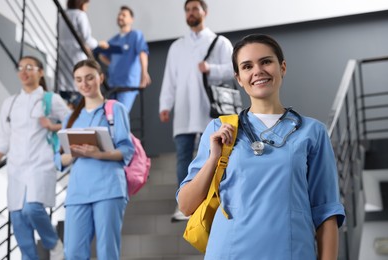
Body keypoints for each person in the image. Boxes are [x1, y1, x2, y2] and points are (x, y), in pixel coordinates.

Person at [177, 34, 346, 259]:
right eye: (247, 66)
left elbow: (327, 213)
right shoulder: (220, 128)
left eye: (266, 62)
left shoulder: (313, 132)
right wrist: (213, 158)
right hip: (229, 251)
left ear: (282, 67)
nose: (257, 71)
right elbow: (186, 206)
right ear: (238, 78)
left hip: (291, 252)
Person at [158, 0, 234, 222]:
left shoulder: (219, 42)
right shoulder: (177, 46)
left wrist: (211, 69)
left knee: (213, 155)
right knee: (183, 157)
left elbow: (233, 70)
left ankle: (212, 202)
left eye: (195, 9)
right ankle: (184, 205)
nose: (191, 13)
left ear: (205, 12)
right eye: (188, 10)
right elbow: (170, 79)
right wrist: (165, 104)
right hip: (183, 110)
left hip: (209, 111)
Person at [60, 59, 134, 259]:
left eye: (89, 78)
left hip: (109, 188)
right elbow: (59, 159)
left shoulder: (114, 109)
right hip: (77, 191)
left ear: (100, 78)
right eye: (79, 80)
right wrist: (74, 152)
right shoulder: (71, 118)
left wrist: (97, 153)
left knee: (107, 252)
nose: (84, 84)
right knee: (73, 252)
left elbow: (127, 149)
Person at [0, 56, 69, 259]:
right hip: (16, 167)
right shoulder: (10, 103)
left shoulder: (50, 99)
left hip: (41, 163)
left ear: (40, 72)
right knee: (18, 218)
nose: (24, 71)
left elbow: (73, 123)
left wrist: (53, 126)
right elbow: (3, 140)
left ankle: (53, 243)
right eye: (20, 68)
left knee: (32, 209)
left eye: (29, 67)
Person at [98, 5, 151, 113]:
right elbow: (102, 55)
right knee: (109, 116)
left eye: (124, 15)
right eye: (119, 15)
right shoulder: (113, 40)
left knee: (120, 115)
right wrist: (112, 64)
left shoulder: (136, 35)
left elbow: (142, 53)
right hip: (112, 85)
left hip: (128, 85)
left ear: (131, 19)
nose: (120, 17)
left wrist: (144, 72)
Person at [58, 0, 108, 108]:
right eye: (87, 4)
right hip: (76, 56)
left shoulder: (61, 15)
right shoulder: (80, 15)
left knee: (66, 100)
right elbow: (87, 39)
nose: (87, 7)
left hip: (63, 57)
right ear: (81, 3)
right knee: (79, 97)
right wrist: (100, 44)